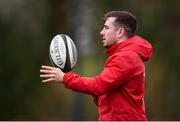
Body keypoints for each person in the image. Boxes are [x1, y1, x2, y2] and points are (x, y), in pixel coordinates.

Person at [40, 11, 153, 121]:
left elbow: (98, 85)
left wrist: (65, 78)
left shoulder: (126, 57)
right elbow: (108, 95)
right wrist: (97, 95)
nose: (101, 32)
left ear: (120, 32)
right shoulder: (125, 55)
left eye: (106, 28)